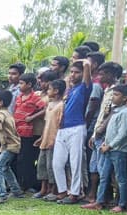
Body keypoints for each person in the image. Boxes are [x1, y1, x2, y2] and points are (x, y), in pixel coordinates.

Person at [85, 85, 127, 211]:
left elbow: (123, 134)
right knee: (104, 176)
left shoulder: (125, 113)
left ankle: (122, 204)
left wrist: (110, 145)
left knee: (120, 178)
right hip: (108, 148)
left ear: (125, 98)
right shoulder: (115, 111)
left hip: (119, 150)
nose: (113, 97)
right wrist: (105, 143)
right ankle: (99, 201)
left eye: (116, 95)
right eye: (113, 94)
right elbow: (110, 131)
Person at [51, 60, 92, 204]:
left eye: (77, 72)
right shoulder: (70, 90)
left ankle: (75, 193)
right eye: (72, 72)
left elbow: (87, 78)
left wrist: (86, 64)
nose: (73, 75)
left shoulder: (84, 88)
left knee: (75, 162)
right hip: (63, 129)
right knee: (57, 162)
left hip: (77, 127)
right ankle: (62, 191)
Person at [0, 90, 24, 204]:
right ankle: (16, 191)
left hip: (9, 145)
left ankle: (2, 196)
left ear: (0, 102)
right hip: (13, 144)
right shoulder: (8, 113)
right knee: (5, 168)